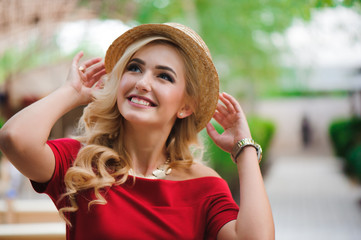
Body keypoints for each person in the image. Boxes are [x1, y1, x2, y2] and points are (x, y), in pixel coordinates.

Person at [0, 23, 274, 239]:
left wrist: (245, 149)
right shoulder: (80, 162)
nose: (142, 82)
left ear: (186, 106)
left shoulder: (205, 187)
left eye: (164, 76)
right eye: (134, 68)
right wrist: (70, 92)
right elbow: (15, 138)